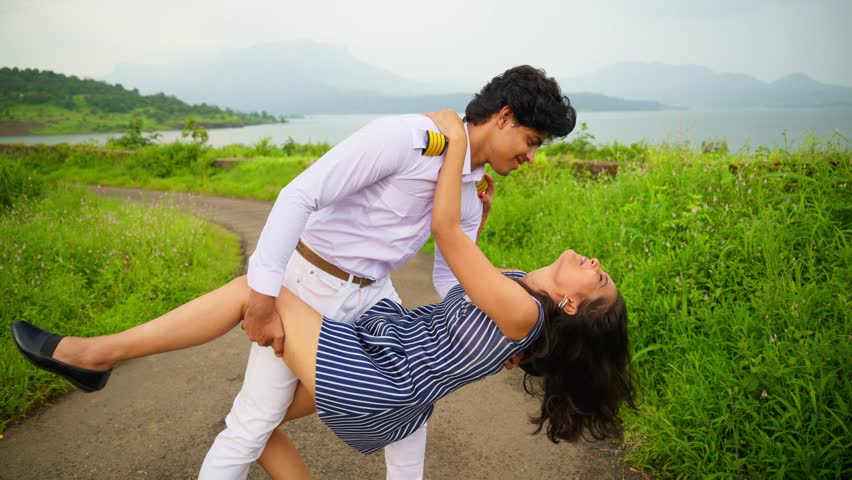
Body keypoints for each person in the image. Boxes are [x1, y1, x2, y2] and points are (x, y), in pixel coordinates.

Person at [19, 65, 577, 480]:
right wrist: (263, 295)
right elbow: (299, 194)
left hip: (374, 298)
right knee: (252, 425)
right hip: (309, 281)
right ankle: (96, 355)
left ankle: (96, 353)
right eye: (531, 141)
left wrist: (492, 280)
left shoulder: (474, 194)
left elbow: (452, 286)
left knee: (411, 410)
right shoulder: (409, 138)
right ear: (503, 117)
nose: (531, 156)